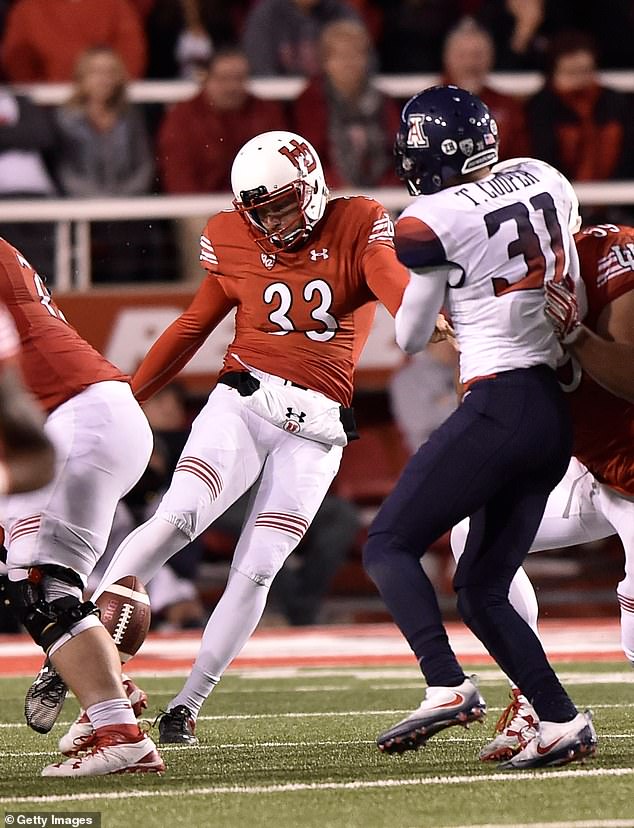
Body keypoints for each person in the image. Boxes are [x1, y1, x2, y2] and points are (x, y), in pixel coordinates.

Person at [52, 128, 412, 751]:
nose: (273, 220)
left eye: (281, 203)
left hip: (319, 426)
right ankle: (68, 645)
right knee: (179, 514)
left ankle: (186, 706)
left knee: (257, 570)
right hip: (245, 398)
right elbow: (195, 323)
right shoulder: (231, 233)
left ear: (313, 183)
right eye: (261, 210)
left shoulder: (359, 221)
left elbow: (390, 282)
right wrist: (129, 394)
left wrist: (420, 313)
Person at [362, 84, 598, 770]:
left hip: (502, 400)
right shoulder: (544, 176)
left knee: (388, 543)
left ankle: (445, 682)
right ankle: (557, 719)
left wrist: (436, 314)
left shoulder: (430, 217)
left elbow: (409, 335)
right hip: (554, 410)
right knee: (481, 587)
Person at [451, 220, 634, 761]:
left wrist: (578, 336)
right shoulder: (502, 291)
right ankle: (536, 698)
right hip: (592, 467)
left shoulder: (610, 257)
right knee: (474, 533)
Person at [0, 237, 164, 776]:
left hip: (72, 418)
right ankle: (109, 688)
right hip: (85, 413)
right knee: (34, 578)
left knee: (42, 584)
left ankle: (121, 734)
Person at [156, 46, 287, 280]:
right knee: (202, 229)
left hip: (258, 205)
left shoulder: (267, 113)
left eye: (239, 79)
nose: (232, 86)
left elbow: (281, 167)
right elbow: (179, 180)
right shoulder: (183, 117)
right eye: (224, 79)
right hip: (202, 206)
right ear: (207, 79)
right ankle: (204, 299)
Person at [53, 46, 165, 283]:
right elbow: (66, 171)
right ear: (82, 78)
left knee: (135, 236)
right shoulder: (65, 118)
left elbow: (144, 166)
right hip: (83, 208)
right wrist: (99, 201)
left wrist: (120, 199)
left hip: (128, 207)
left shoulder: (132, 116)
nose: (102, 79)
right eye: (95, 72)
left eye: (109, 72)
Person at [525, 30, 634, 224]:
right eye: (571, 73)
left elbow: (628, 154)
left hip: (620, 205)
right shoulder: (540, 108)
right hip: (562, 210)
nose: (580, 80)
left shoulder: (617, 103)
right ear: (554, 73)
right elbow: (543, 161)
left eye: (586, 71)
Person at [290, 18, 400, 189]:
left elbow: (396, 155)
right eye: (340, 55)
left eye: (356, 54)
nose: (349, 63)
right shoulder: (310, 100)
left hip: (385, 194)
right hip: (329, 193)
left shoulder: (383, 101)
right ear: (325, 61)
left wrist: (385, 190)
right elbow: (307, 160)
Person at [441, 18, 530, 162]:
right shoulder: (425, 106)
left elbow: (520, 162)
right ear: (447, 58)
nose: (470, 64)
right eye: (462, 56)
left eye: (477, 55)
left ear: (491, 58)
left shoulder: (509, 107)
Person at [0, 0, 147, 83]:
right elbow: (16, 61)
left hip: (109, 105)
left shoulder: (115, 6)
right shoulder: (28, 10)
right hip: (48, 108)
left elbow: (132, 56)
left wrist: (107, 88)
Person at [241, 0, 361, 77]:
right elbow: (260, 69)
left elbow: (366, 62)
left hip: (331, 101)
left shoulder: (341, 12)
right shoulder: (266, 14)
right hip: (280, 101)